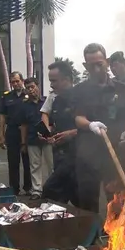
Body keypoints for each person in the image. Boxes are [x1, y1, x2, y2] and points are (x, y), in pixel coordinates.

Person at [71, 44, 125, 212]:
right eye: (91, 65)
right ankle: (91, 235)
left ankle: (117, 235)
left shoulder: (122, 89)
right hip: (88, 151)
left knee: (116, 198)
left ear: (107, 62)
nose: (96, 69)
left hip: (115, 150)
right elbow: (78, 117)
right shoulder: (79, 90)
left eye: (99, 64)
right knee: (87, 198)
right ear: (85, 66)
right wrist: (90, 124)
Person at [41, 61, 79, 203]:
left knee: (50, 192)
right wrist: (49, 135)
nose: (51, 85)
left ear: (67, 79)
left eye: (54, 81)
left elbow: (96, 125)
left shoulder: (81, 99)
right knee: (60, 203)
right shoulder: (56, 101)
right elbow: (53, 123)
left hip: (79, 159)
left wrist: (72, 133)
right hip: (60, 156)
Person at [0, 72, 32, 196]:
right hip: (12, 131)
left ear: (22, 81)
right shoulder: (7, 97)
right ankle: (14, 188)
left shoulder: (28, 94)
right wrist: (1, 135)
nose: (15, 84)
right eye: (13, 82)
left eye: (17, 81)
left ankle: (28, 187)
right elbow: (2, 116)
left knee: (28, 162)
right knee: (13, 162)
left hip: (27, 132)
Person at [19, 77, 51, 200]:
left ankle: (50, 189)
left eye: (32, 87)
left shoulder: (47, 101)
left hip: (48, 138)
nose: (30, 90)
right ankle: (37, 191)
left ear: (38, 86)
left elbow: (53, 120)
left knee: (50, 165)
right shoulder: (24, 106)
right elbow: (23, 125)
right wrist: (23, 143)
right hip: (32, 139)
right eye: (28, 88)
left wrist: (51, 132)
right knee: (35, 165)